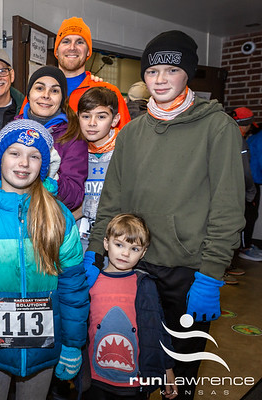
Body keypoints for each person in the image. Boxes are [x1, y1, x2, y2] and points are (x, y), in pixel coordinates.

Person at [84, 30, 245, 400]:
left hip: (186, 270)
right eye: (152, 71)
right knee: (133, 365)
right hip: (130, 265)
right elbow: (111, 200)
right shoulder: (131, 134)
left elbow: (227, 208)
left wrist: (211, 276)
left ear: (187, 74)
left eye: (170, 71)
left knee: (181, 374)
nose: (160, 79)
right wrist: (96, 253)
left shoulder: (217, 127)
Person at [0, 119, 89, 399]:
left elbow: (73, 289)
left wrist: (73, 344)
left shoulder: (59, 215)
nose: (24, 163)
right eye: (15, 153)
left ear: (43, 165)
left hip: (44, 351)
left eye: (34, 156)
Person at [83, 213, 177, 400]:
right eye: (119, 245)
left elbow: (158, 329)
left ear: (143, 253)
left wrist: (168, 369)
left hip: (135, 383)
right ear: (106, 243)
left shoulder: (145, 285)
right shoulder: (92, 282)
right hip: (94, 379)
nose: (125, 253)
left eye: (134, 248)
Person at [19, 65, 87, 211]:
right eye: (39, 88)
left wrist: (50, 178)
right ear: (29, 94)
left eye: (55, 90)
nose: (46, 95)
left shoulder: (72, 136)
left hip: (49, 218)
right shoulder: (13, 129)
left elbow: (74, 196)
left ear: (62, 99)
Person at [53, 17, 131, 129]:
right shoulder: (40, 91)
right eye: (66, 41)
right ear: (56, 50)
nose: (72, 47)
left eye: (80, 42)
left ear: (88, 51)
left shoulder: (109, 93)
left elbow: (126, 141)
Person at [75, 87, 121, 250]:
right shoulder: (72, 152)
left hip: (114, 242)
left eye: (101, 116)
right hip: (77, 239)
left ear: (115, 120)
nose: (92, 123)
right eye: (86, 116)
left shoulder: (125, 150)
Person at [231, 107, 262, 263]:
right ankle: (242, 249)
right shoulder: (239, 140)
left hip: (233, 187)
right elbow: (245, 170)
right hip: (240, 188)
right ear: (246, 124)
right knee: (244, 219)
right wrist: (250, 191)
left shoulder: (228, 136)